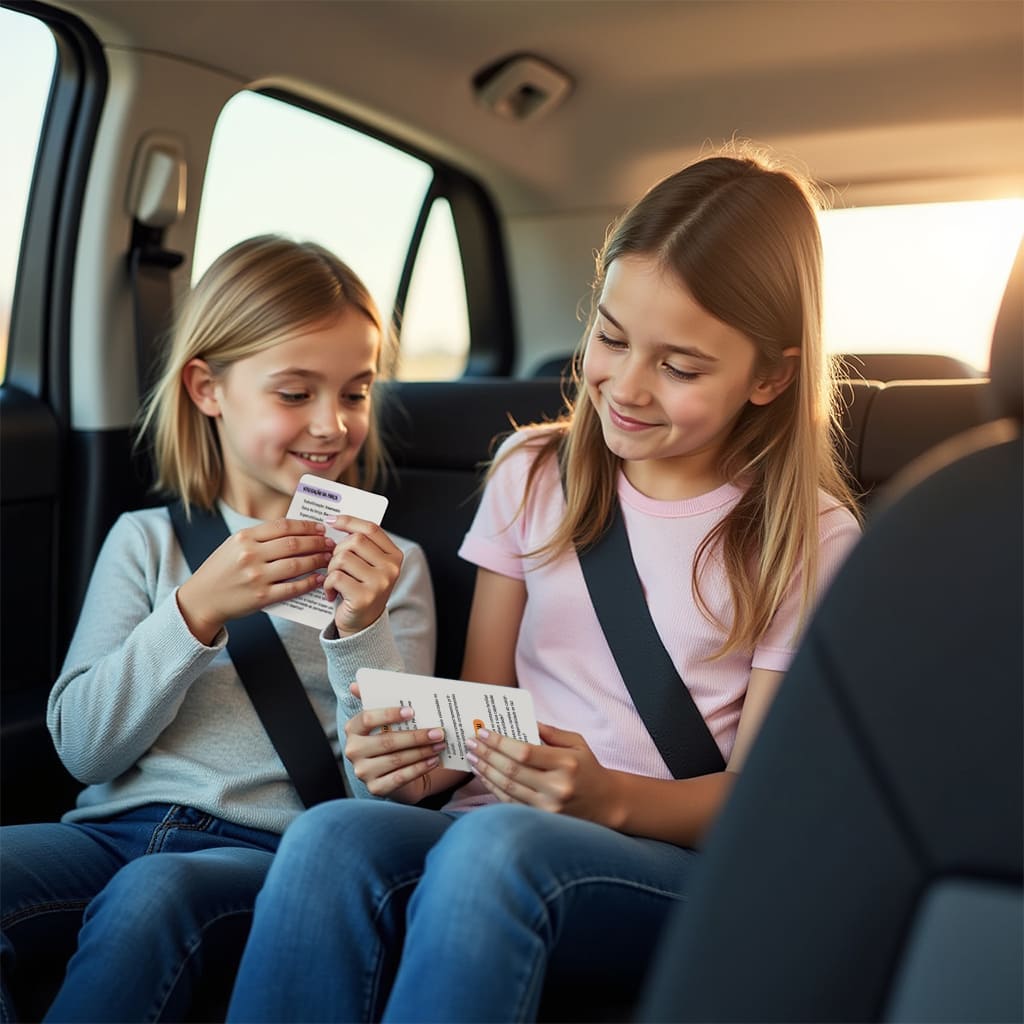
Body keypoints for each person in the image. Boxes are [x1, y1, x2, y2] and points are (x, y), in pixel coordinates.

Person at [226, 152, 862, 1024]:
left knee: (496, 850)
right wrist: (415, 760)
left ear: (770, 376)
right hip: (492, 820)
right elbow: (486, 709)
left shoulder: (810, 537)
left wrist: (613, 798)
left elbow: (763, 798)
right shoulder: (533, 472)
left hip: (666, 861)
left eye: (680, 367)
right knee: (333, 834)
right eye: (610, 337)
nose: (627, 387)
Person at [0, 235, 436, 1023]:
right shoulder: (148, 541)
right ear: (208, 388)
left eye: (356, 392)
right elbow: (83, 750)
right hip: (110, 833)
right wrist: (192, 612)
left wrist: (358, 630)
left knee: (156, 892)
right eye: (296, 393)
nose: (332, 425)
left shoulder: (392, 566)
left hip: (267, 854)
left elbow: (385, 801)